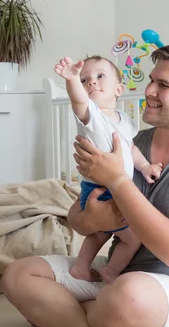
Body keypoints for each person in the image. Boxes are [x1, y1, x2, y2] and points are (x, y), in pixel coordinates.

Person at [2, 44, 169, 327]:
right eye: (152, 80)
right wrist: (96, 218)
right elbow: (77, 220)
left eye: (164, 85)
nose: (150, 90)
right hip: (116, 276)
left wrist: (118, 181)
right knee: (19, 275)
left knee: (129, 297)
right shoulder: (125, 140)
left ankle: (68, 319)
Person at [53, 55, 163, 284]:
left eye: (100, 76)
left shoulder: (124, 119)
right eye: (85, 80)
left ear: (118, 89)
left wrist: (145, 167)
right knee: (131, 239)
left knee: (101, 233)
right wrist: (72, 79)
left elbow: (130, 148)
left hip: (115, 186)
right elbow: (79, 102)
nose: (91, 82)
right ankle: (109, 272)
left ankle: (82, 269)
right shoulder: (91, 116)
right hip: (100, 187)